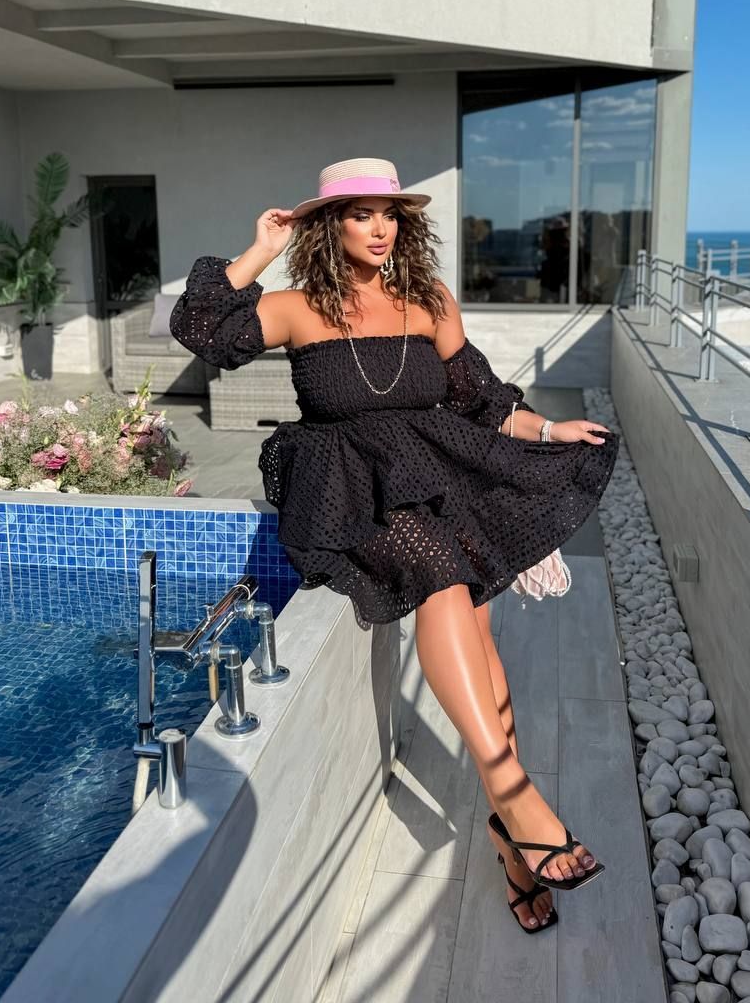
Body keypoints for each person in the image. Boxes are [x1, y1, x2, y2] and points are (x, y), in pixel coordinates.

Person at [169, 157, 620, 933]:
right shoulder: (297, 307)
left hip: (434, 474)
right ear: (329, 225)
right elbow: (202, 330)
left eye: (390, 214)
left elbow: (483, 403)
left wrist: (550, 428)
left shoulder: (429, 300)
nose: (379, 228)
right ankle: (518, 801)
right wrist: (260, 250)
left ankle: (511, 838)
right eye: (360, 214)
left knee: (477, 625)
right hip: (345, 489)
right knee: (444, 575)